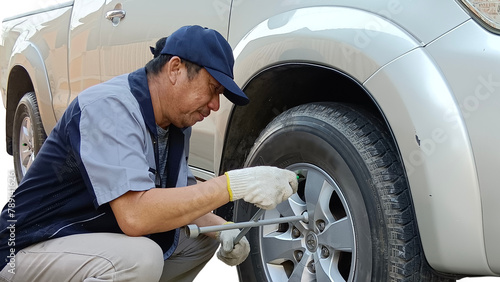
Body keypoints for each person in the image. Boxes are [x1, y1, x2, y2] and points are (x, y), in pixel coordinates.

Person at [0, 25, 298, 282]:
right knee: (141, 259)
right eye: (213, 88)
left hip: (81, 240)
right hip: (25, 248)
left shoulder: (175, 123)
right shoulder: (110, 108)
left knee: (200, 237)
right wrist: (234, 184)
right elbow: (135, 216)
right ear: (175, 69)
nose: (215, 105)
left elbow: (180, 199)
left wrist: (225, 230)